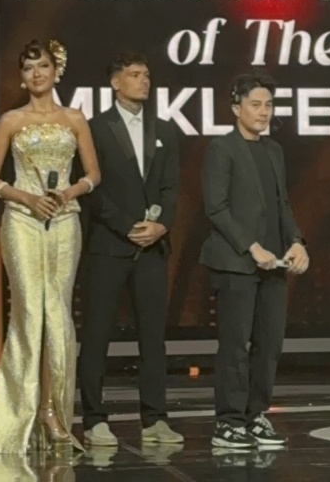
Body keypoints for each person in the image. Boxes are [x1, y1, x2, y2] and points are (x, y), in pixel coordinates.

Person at [0, 39, 100, 454]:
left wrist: (68, 193)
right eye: (29, 68)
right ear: (22, 77)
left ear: (55, 70)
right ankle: (16, 421)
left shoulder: (74, 118)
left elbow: (93, 174)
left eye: (43, 66)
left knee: (58, 313)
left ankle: (52, 412)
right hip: (22, 220)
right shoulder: (11, 120)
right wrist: (26, 197)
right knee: (29, 312)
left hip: (64, 220)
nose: (36, 74)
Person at [77, 52, 183, 446]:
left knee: (153, 337)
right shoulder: (94, 129)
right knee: (97, 334)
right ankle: (94, 419)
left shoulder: (165, 129)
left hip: (152, 248)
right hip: (108, 245)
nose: (144, 81)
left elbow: (171, 186)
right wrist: (126, 226)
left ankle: (155, 419)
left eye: (147, 74)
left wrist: (161, 224)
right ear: (115, 82)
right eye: (135, 74)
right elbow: (92, 188)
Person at [200, 71, 309, 448]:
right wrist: (251, 246)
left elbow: (282, 203)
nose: (264, 112)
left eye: (269, 105)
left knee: (269, 343)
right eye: (255, 104)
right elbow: (216, 208)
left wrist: (296, 241)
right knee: (235, 345)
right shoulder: (222, 148)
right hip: (236, 263)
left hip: (274, 265)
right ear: (236, 108)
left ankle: (256, 414)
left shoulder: (273, 150)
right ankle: (228, 422)